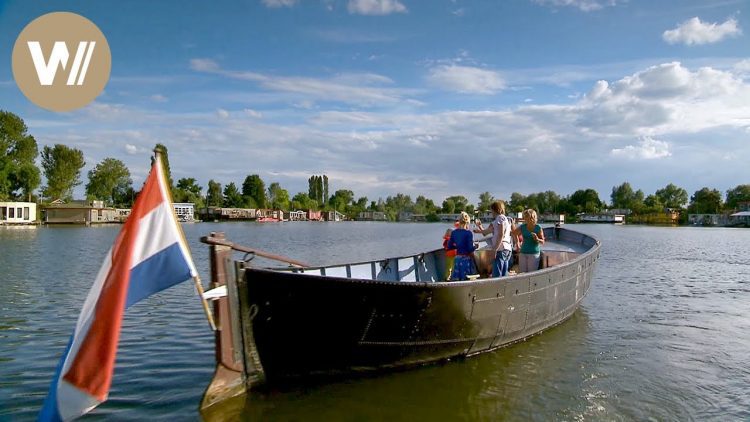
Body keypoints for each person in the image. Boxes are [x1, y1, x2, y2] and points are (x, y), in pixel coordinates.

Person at [474, 200, 513, 277]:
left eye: (491, 210)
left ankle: (497, 288)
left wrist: (494, 249)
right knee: (504, 274)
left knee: (497, 274)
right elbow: (485, 233)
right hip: (507, 248)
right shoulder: (504, 219)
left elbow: (501, 234)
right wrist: (479, 226)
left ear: (494, 209)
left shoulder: (499, 218)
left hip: (500, 249)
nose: (491, 212)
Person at [445, 211, 478, 281]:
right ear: (467, 222)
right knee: (466, 279)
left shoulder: (454, 232)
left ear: (459, 221)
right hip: (466, 260)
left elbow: (449, 246)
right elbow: (470, 249)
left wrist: (458, 246)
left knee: (457, 279)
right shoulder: (468, 233)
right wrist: (475, 246)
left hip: (457, 259)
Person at [512, 208, 545, 273]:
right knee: (522, 274)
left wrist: (537, 239)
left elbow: (543, 241)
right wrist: (518, 245)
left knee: (531, 273)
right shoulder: (523, 227)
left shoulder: (538, 227)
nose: (525, 218)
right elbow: (514, 233)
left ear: (532, 217)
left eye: (527, 216)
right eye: (525, 216)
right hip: (523, 252)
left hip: (534, 253)